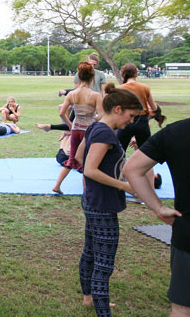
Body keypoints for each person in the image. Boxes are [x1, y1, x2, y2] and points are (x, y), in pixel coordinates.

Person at [76, 84, 143, 317]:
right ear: (118, 109)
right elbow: (90, 170)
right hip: (102, 205)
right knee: (104, 263)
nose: (132, 122)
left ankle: (88, 299)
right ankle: (103, 312)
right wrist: (125, 185)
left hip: (94, 201)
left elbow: (78, 156)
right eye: (131, 116)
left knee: (91, 253)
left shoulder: (96, 126)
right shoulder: (105, 132)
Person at [125, 118, 190, 317]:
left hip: (187, 234)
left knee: (182, 308)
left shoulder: (177, 131)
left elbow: (132, 168)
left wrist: (158, 207)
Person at [52, 62, 103, 194]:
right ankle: (86, 190)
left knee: (72, 158)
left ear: (78, 77)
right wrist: (93, 120)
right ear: (92, 78)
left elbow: (61, 113)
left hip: (75, 129)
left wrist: (70, 125)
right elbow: (102, 115)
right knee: (87, 159)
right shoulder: (95, 95)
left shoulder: (72, 94)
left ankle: (57, 185)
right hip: (88, 131)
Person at [117, 63, 160, 184]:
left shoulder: (121, 89)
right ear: (136, 73)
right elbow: (154, 107)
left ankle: (119, 186)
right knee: (147, 157)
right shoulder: (144, 87)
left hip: (125, 122)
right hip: (142, 122)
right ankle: (149, 188)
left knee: (119, 155)